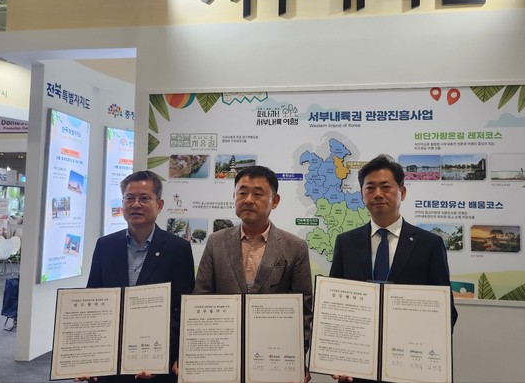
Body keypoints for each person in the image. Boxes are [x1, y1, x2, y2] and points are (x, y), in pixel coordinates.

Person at [329, 154, 458, 383]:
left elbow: (446, 311)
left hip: (410, 370)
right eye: (370, 188)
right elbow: (333, 307)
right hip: (356, 369)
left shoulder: (429, 244)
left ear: (402, 192)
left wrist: (427, 355)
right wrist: (337, 356)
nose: (378, 194)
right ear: (362, 195)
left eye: (386, 187)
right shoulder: (346, 242)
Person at [193, 165, 313, 382]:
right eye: (242, 193)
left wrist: (296, 357)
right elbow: (201, 297)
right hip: (222, 355)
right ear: (234, 197)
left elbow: (304, 310)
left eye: (257, 194)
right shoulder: (216, 242)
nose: (248, 200)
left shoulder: (295, 247)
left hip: (273, 357)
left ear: (275, 201)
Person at [82, 171, 195, 383]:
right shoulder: (105, 245)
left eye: (144, 198)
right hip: (110, 358)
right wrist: (88, 357)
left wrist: (171, 355)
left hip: (157, 360)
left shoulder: (177, 248)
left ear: (159, 205)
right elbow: (93, 299)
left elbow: (183, 308)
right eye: (129, 198)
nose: (135, 204)